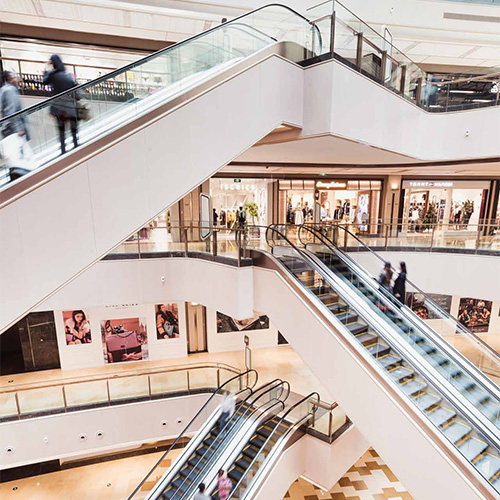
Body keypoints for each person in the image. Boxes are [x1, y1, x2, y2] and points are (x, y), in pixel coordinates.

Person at [43, 55, 80, 155]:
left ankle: (63, 151)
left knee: (61, 131)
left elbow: (44, 81)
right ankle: (76, 146)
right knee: (74, 130)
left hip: (59, 107)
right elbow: (77, 94)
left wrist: (47, 67)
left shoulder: (53, 75)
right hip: (71, 107)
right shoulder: (69, 77)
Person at [1, 71, 31, 181]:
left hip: (8, 128)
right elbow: (12, 111)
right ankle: (19, 179)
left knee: (13, 155)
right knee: (18, 155)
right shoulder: (10, 90)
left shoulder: (4, 90)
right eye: (14, 77)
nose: (16, 79)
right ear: (9, 79)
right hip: (14, 129)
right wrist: (19, 129)